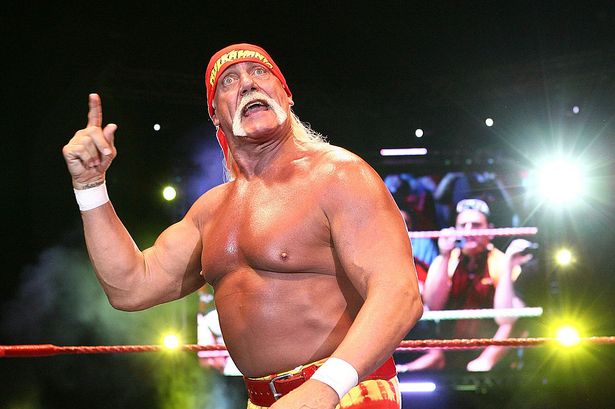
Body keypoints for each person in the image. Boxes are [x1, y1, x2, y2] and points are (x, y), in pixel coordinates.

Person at [62, 43, 423, 408]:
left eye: (260, 72)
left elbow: (400, 294)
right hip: (263, 401)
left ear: (286, 95)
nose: (248, 83)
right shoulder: (210, 212)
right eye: (229, 81)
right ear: (216, 116)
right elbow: (129, 288)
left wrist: (326, 387)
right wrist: (90, 187)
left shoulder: (339, 176)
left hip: (346, 392)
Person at [399, 198, 533, 372]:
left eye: (476, 225)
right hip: (450, 347)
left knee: (516, 320)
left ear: (490, 231)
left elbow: (506, 319)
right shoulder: (446, 261)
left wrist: (507, 267)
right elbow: (434, 306)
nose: (469, 231)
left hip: (488, 348)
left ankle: (485, 361)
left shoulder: (500, 262)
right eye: (463, 226)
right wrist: (445, 256)